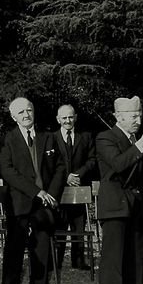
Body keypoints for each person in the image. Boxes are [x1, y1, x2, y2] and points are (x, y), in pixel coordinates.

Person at [96, 96, 143, 284]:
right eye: (133, 116)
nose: (138, 120)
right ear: (118, 116)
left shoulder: (139, 140)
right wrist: (141, 144)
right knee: (114, 261)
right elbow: (118, 165)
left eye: (139, 115)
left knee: (135, 262)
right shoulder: (105, 138)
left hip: (137, 208)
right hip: (115, 207)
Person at [0, 97, 65, 284]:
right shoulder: (8, 139)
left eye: (29, 110)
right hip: (20, 201)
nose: (26, 115)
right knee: (15, 247)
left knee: (42, 245)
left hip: (45, 203)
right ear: (13, 116)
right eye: (21, 112)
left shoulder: (48, 137)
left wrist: (51, 194)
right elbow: (8, 171)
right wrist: (36, 192)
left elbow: (60, 167)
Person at [54, 104, 96, 270]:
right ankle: (56, 261)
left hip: (80, 187)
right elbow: (49, 164)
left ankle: (78, 260)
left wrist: (78, 174)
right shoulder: (52, 138)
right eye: (64, 118)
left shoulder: (85, 137)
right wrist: (66, 177)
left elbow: (92, 160)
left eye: (70, 117)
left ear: (75, 117)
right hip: (59, 188)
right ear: (58, 120)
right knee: (59, 225)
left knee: (79, 225)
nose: (67, 121)